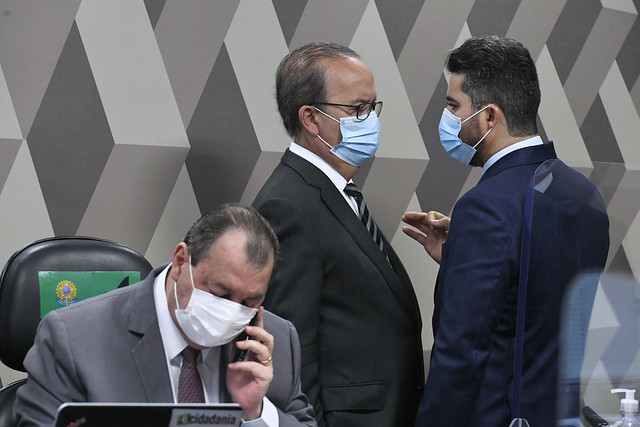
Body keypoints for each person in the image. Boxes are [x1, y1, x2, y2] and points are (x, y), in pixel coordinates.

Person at [402, 35, 610, 426]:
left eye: (453, 106)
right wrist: (464, 254)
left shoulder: (485, 206)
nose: (447, 117)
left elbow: (461, 353)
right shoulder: (584, 195)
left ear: (490, 117)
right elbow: (540, 300)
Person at [15, 204, 316, 426]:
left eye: (250, 301)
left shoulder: (272, 344)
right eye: (220, 294)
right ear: (180, 261)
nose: (231, 312)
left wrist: (256, 413)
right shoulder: (74, 338)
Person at [252, 42, 424, 426]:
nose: (370, 120)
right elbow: (292, 347)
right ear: (311, 119)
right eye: (357, 109)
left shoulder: (334, 191)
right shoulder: (288, 206)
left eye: (372, 107)